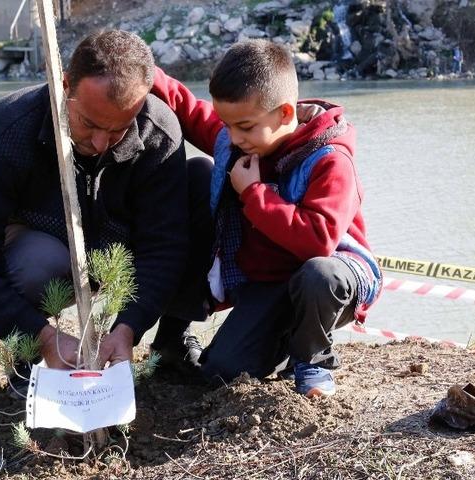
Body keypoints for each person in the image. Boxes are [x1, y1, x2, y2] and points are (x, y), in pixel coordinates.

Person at [0, 30, 206, 382]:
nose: (100, 143)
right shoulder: (3, 133)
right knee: (37, 261)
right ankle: (30, 361)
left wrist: (128, 328)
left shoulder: (159, 131)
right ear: (65, 85)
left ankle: (171, 344)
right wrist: (42, 337)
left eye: (118, 130)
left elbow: (164, 248)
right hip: (44, 249)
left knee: (202, 177)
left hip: (119, 247)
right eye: (89, 124)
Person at [151, 40, 382, 397]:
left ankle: (313, 362)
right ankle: (280, 342)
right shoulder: (240, 136)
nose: (233, 137)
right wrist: (144, 72)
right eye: (227, 125)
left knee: (318, 276)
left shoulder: (330, 160)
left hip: (329, 276)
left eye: (243, 127)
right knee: (221, 373)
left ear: (286, 114)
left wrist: (254, 194)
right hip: (268, 283)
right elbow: (190, 109)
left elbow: (315, 241)